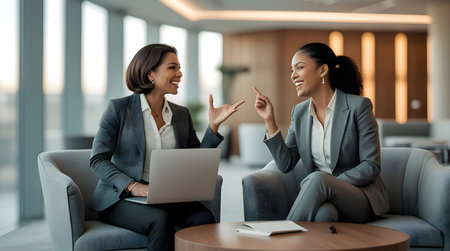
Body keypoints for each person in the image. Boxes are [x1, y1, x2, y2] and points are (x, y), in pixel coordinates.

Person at [89, 43, 245, 251]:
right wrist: (134, 187)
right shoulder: (119, 109)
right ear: (150, 73)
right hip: (121, 198)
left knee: (203, 217)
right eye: (172, 67)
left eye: (179, 67)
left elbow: (196, 160)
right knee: (160, 221)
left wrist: (213, 126)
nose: (180, 73)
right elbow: (97, 160)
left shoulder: (181, 114)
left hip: (164, 196)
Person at [252, 42, 388, 223]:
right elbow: (285, 164)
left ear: (323, 70)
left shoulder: (359, 107)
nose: (293, 76)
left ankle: (282, 237)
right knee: (324, 215)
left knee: (318, 179)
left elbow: (370, 166)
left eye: (299, 68)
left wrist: (330, 182)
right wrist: (270, 121)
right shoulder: (299, 113)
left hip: (360, 196)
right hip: (323, 195)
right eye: (292, 70)